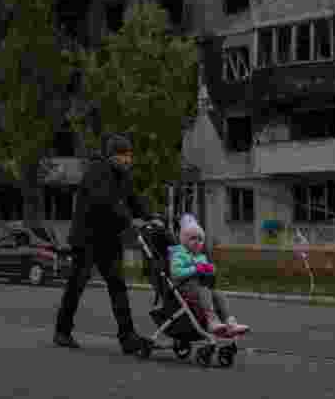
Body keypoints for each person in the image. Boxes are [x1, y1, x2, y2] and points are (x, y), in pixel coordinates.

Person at [54, 133, 153, 354]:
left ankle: (127, 336)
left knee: (118, 285)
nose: (128, 159)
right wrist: (128, 220)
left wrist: (150, 216)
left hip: (108, 240)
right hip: (87, 238)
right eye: (123, 155)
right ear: (112, 156)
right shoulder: (97, 171)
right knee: (76, 285)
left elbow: (133, 201)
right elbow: (105, 201)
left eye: (129, 155)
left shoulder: (123, 176)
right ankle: (62, 331)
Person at [169, 214, 249, 336]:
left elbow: (206, 272)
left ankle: (230, 322)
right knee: (205, 291)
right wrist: (195, 269)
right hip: (184, 287)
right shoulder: (179, 255)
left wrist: (210, 270)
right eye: (193, 239)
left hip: (201, 287)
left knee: (218, 294)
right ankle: (212, 320)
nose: (197, 242)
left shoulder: (201, 257)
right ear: (184, 240)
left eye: (200, 239)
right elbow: (176, 273)